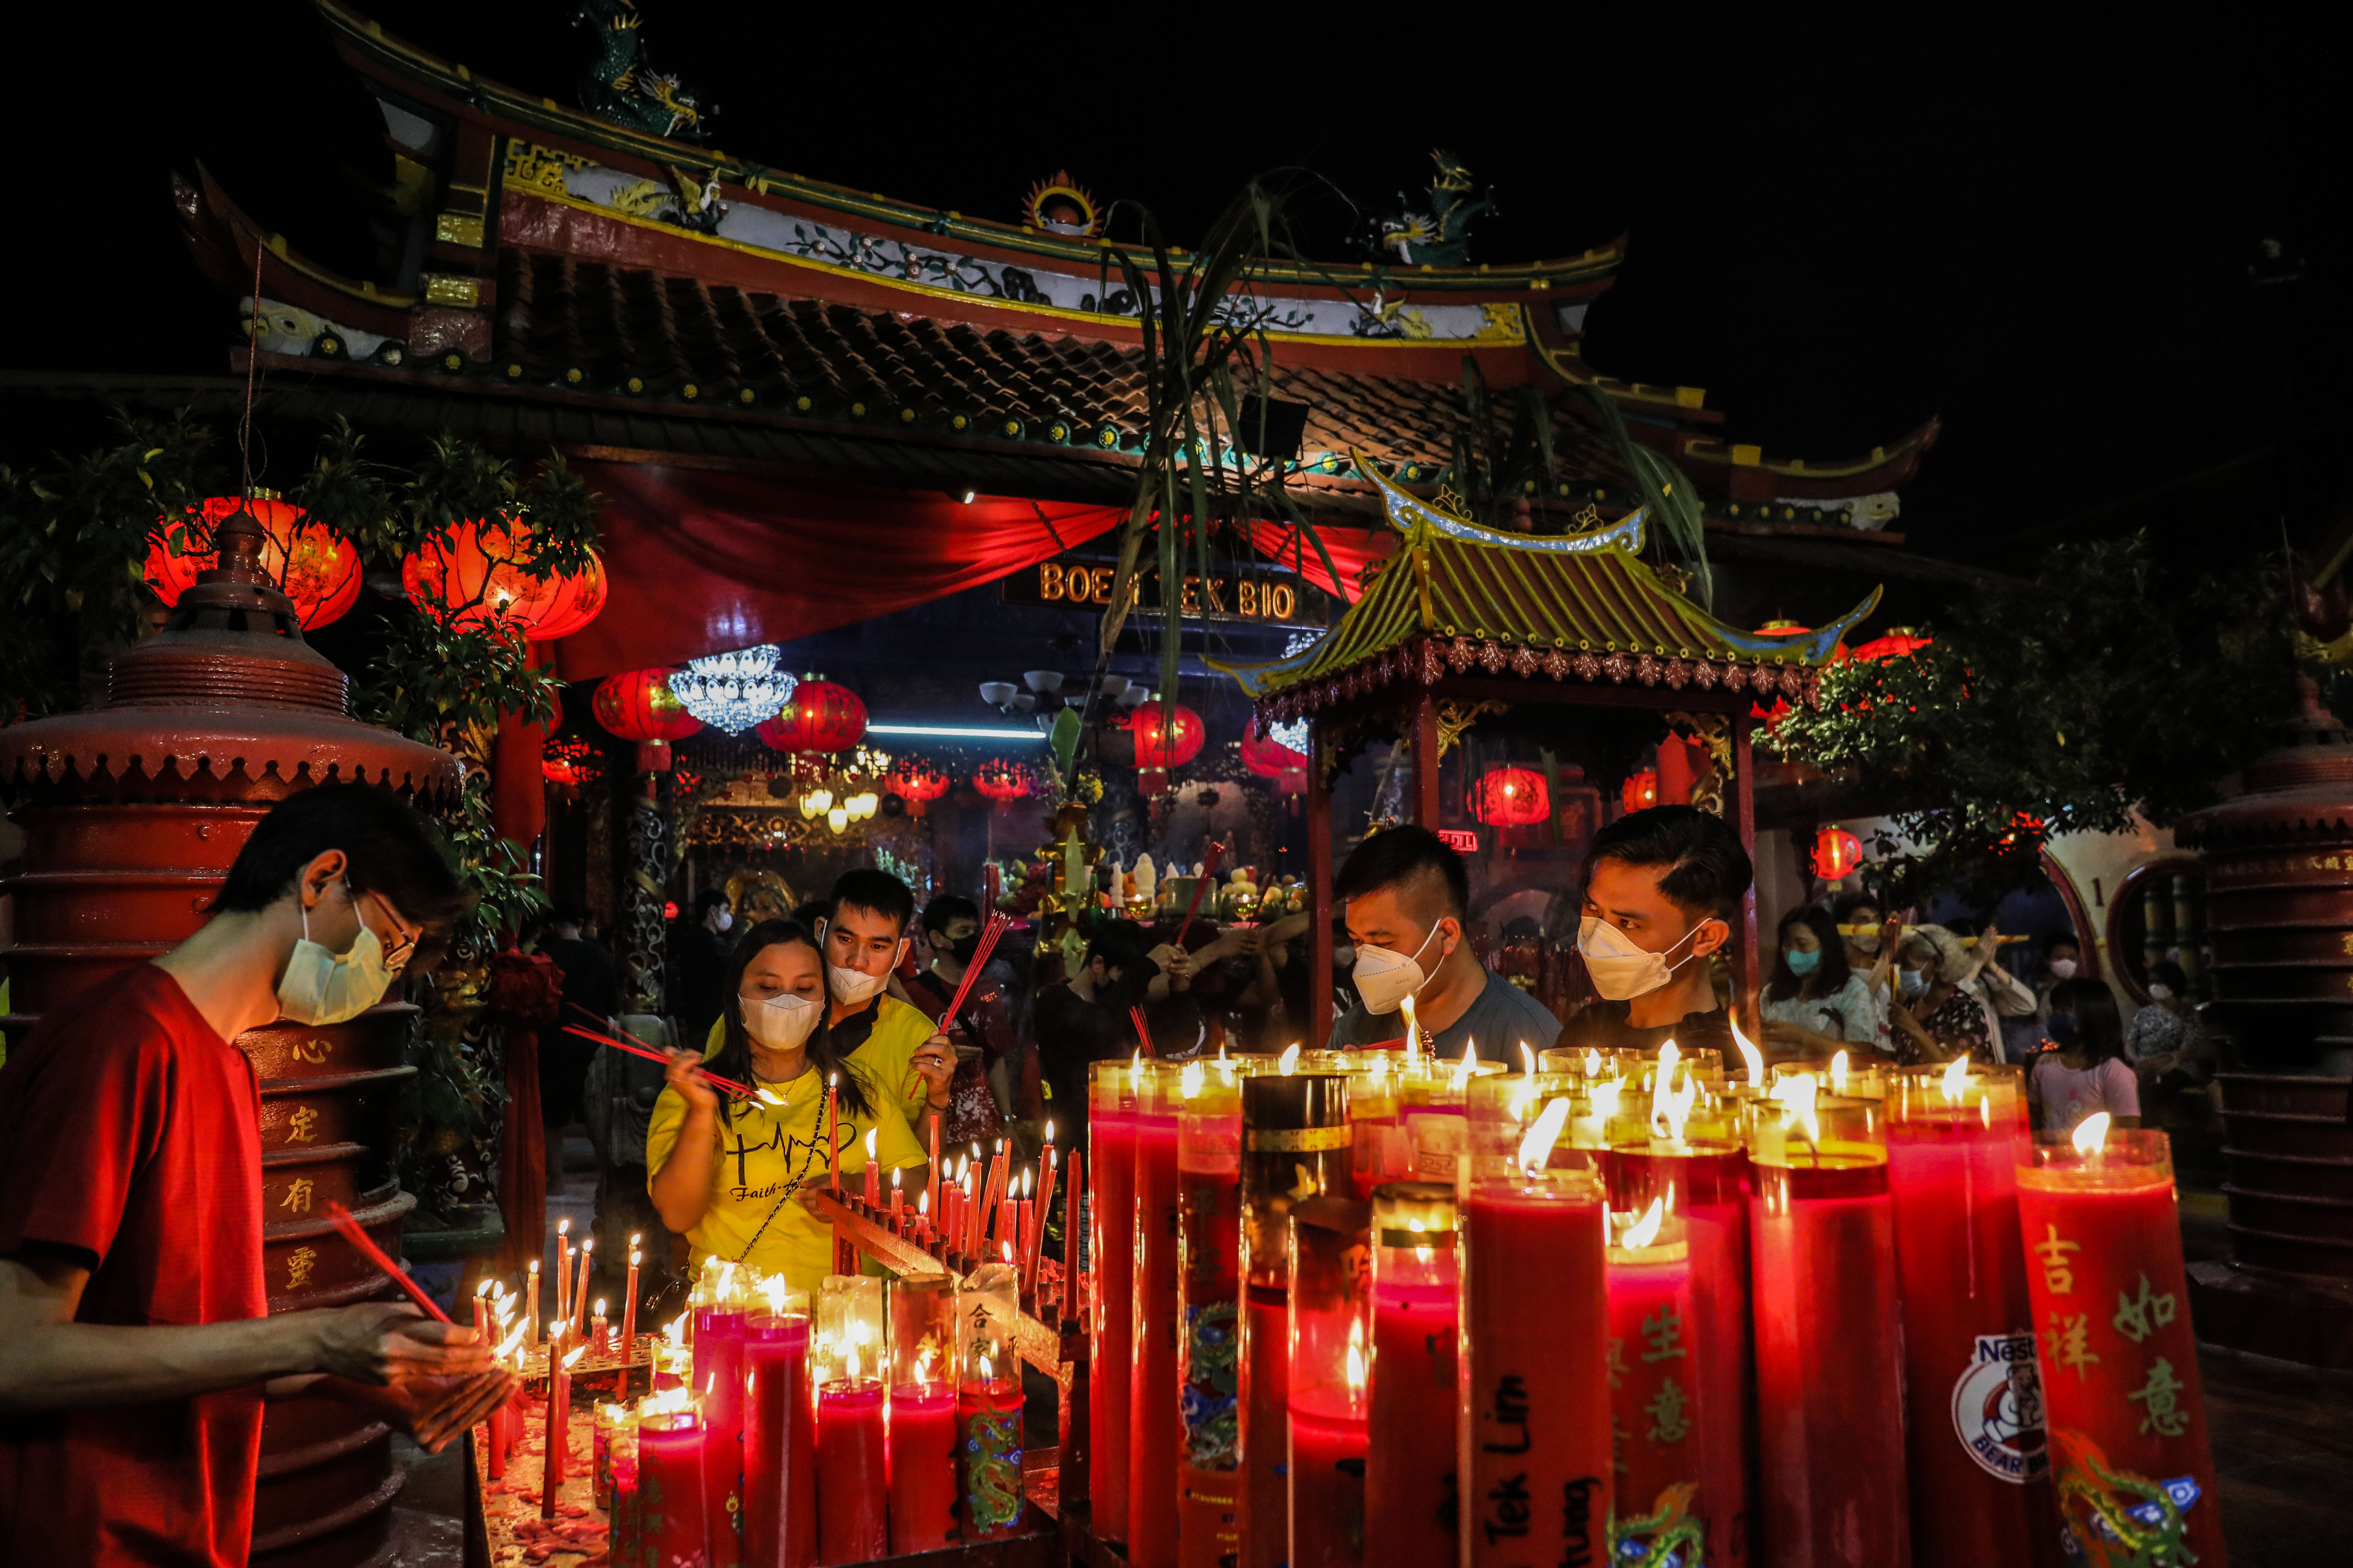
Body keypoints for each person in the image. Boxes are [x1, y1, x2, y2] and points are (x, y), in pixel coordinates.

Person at [0, 785, 509, 1565]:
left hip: (189, 1528)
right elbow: (17, 1352)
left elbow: (190, 1337)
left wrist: (368, 1377)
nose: (385, 976)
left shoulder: (227, 1061)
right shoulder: (123, 1047)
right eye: (391, 942)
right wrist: (314, 1333)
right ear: (321, 879)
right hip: (85, 1532)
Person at [647, 919, 932, 1291]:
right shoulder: (693, 1092)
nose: (787, 1001)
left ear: (823, 1001)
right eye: (768, 987)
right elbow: (677, 1214)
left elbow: (916, 1181)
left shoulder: (860, 1088)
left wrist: (859, 1189)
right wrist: (702, 1115)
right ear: (736, 994)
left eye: (804, 988)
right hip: (734, 1313)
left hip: (850, 1313)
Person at [1328, 826, 1560, 1061]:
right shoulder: (1354, 1034)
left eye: (1383, 943)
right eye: (1358, 941)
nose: (1366, 960)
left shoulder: (1529, 1038)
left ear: (1447, 935)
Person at [1555, 806, 1747, 1059]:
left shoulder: (1727, 1059)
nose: (1599, 936)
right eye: (1593, 909)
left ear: (1705, 938)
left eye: (1628, 923)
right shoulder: (1586, 1034)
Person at [903, 894, 1009, 1143]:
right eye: (963, 931)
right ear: (937, 938)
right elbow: (905, 1063)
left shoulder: (987, 989)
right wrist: (942, 1060)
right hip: (933, 1127)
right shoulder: (914, 994)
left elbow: (997, 1060)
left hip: (983, 1126)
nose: (973, 938)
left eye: (975, 930)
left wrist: (1007, 1119)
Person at [1761, 905, 1886, 1059]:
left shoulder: (1851, 991)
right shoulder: (1771, 992)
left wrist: (1802, 1038)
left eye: (1802, 945)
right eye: (1787, 945)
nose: (1793, 954)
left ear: (1826, 945)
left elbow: (1862, 1051)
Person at [2027, 978, 2141, 1133]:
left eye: (2065, 1011)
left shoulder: (2113, 1072)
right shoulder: (2043, 1064)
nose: (2055, 1017)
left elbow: (2129, 1133)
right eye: (2055, 1011)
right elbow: (2034, 1120)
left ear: (2093, 1016)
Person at [1888, 924, 2000, 1065]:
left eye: (1907, 965)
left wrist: (1914, 1029)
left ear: (1936, 963)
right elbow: (1904, 1057)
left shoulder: (1964, 1010)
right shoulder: (1912, 1004)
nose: (1902, 971)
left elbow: (1952, 1074)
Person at [2127, 960, 2215, 1114]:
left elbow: (2185, 1052)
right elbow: (2130, 1043)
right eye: (2152, 982)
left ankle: (2152, 1131)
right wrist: (2137, 1061)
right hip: (2142, 1066)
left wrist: (2154, 1064)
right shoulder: (2145, 1014)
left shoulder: (2189, 1014)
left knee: (2150, 1091)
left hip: (2177, 1068)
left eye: (2159, 982)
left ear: (2173, 983)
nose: (2154, 986)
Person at [671, 888, 734, 1045]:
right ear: (712, 911)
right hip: (711, 1022)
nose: (728, 916)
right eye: (725, 910)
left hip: (695, 1020)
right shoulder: (712, 944)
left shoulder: (692, 939)